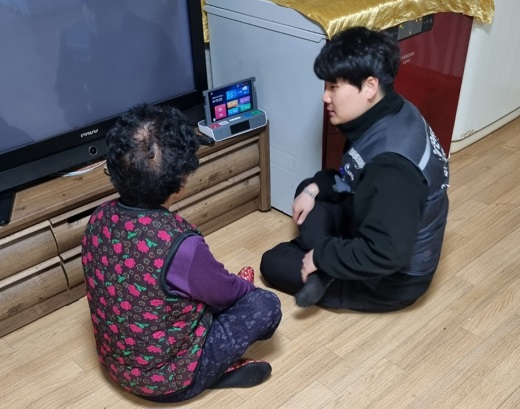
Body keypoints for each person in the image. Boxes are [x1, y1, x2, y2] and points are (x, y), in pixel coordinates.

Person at [82, 103, 282, 403]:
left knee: (188, 289)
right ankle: (211, 373)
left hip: (116, 365)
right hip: (169, 382)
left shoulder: (98, 218)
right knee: (265, 305)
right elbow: (224, 292)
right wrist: (245, 290)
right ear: (180, 184)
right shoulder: (179, 244)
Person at [260, 27, 449, 312]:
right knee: (309, 189)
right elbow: (352, 177)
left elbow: (387, 254)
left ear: (370, 86)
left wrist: (321, 257)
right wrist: (316, 188)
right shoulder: (391, 110)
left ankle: (325, 270)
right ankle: (324, 260)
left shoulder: (393, 169)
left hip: (389, 278)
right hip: (375, 216)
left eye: (334, 87)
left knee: (273, 262)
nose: (325, 97)